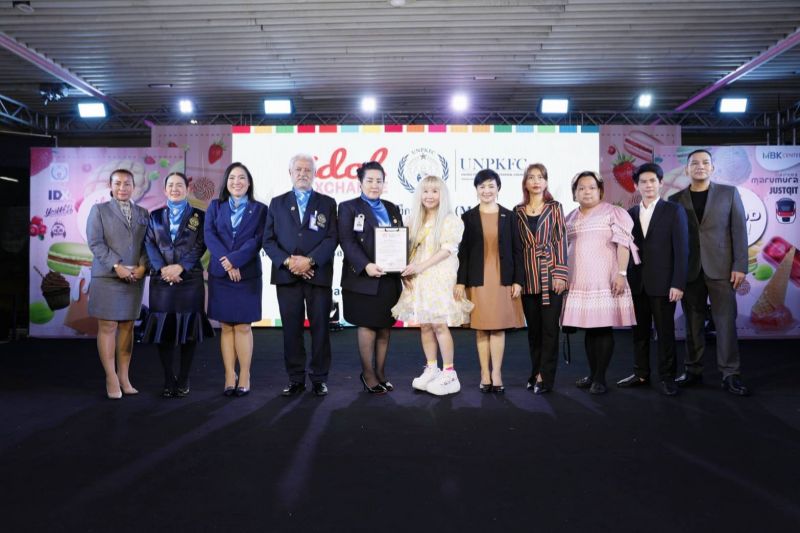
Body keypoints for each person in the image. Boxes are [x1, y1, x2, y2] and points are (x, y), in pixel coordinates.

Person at [669, 149, 750, 396]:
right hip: (690, 270)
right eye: (694, 163)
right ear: (687, 169)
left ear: (712, 168)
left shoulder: (729, 193)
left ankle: (730, 373)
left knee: (725, 322)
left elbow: (739, 230)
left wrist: (740, 265)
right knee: (693, 323)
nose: (700, 166)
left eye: (705, 162)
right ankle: (693, 370)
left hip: (722, 268)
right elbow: (673, 239)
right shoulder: (675, 199)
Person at [263, 154, 338, 397]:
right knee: (291, 330)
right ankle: (295, 379)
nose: (303, 173)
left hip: (318, 275)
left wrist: (310, 261)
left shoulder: (327, 203)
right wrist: (289, 262)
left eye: (308, 170)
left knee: (321, 330)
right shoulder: (277, 203)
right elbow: (268, 240)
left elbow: (332, 238)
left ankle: (319, 379)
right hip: (287, 277)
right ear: (290, 173)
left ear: (315, 174)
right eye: (298, 169)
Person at [393, 175, 471, 396]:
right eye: (425, 191)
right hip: (419, 279)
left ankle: (449, 373)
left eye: (434, 191)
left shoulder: (450, 220)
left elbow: (447, 250)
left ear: (442, 194)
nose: (429, 196)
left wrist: (420, 267)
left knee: (439, 324)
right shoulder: (413, 220)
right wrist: (406, 272)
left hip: (439, 277)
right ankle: (431, 368)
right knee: (425, 325)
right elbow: (405, 250)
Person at [561, 171, 638, 395]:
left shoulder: (614, 212)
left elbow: (623, 245)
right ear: (575, 193)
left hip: (606, 279)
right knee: (589, 329)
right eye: (581, 188)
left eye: (592, 187)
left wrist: (621, 273)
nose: (587, 192)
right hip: (580, 281)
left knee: (603, 328)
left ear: (600, 191)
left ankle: (600, 378)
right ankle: (593, 374)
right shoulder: (569, 217)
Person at [616, 163, 688, 396]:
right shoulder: (630, 214)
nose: (648, 185)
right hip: (637, 284)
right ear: (636, 186)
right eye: (643, 182)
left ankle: (667, 377)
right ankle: (641, 373)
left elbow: (682, 249)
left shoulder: (674, 210)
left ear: (661, 183)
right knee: (639, 333)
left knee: (665, 333)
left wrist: (678, 283)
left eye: (652, 181)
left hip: (665, 284)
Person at [142, 172, 214, 398]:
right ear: (165, 190)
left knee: (188, 331)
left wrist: (181, 267)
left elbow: (201, 244)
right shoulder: (154, 216)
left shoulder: (200, 216)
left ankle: (183, 378)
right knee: (164, 332)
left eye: (179, 185)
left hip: (189, 280)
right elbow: (149, 243)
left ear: (187, 189)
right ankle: (168, 378)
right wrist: (163, 269)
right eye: (170, 185)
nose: (175, 189)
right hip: (161, 281)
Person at [456, 169, 524, 393]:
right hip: (478, 279)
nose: (486, 190)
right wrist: (460, 282)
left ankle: (497, 374)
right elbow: (463, 253)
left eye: (491, 186)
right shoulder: (468, 217)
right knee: (482, 328)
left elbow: (517, 250)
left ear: (498, 188)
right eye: (482, 186)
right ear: (476, 189)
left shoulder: (509, 216)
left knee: (498, 328)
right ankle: (484, 373)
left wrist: (518, 280)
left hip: (502, 279)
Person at [338, 161, 404, 394]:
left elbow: (399, 239)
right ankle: (368, 374)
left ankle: (381, 373)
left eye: (379, 181)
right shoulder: (348, 207)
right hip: (363, 278)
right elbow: (347, 241)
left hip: (388, 278)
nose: (375, 185)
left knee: (385, 327)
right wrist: (366, 265)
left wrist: (401, 264)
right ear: (360, 182)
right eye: (370, 180)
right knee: (367, 325)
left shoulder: (391, 207)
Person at [205, 162, 268, 397]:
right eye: (232, 178)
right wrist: (227, 262)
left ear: (249, 183)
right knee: (226, 326)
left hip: (246, 274)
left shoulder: (260, 209)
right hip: (221, 274)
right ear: (226, 182)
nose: (237, 182)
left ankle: (245, 375)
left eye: (242, 178)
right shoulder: (215, 206)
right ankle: (229, 376)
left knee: (243, 326)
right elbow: (209, 235)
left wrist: (235, 260)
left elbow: (257, 240)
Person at [86, 168, 149, 399]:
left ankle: (124, 376)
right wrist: (116, 265)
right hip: (108, 277)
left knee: (127, 327)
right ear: (110, 186)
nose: (122, 188)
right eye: (118, 183)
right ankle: (111, 377)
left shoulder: (143, 213)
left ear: (134, 186)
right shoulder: (99, 210)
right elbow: (95, 243)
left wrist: (143, 266)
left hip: (134, 278)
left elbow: (148, 244)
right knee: (108, 326)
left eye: (127, 183)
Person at [514, 163, 568, 394]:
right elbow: (516, 247)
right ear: (525, 183)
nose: (536, 181)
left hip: (551, 276)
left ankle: (545, 376)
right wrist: (516, 279)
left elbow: (561, 240)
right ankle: (535, 371)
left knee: (549, 330)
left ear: (546, 182)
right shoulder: (517, 211)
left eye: (540, 177)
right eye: (531, 177)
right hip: (528, 277)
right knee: (534, 332)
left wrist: (561, 274)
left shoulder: (555, 207)